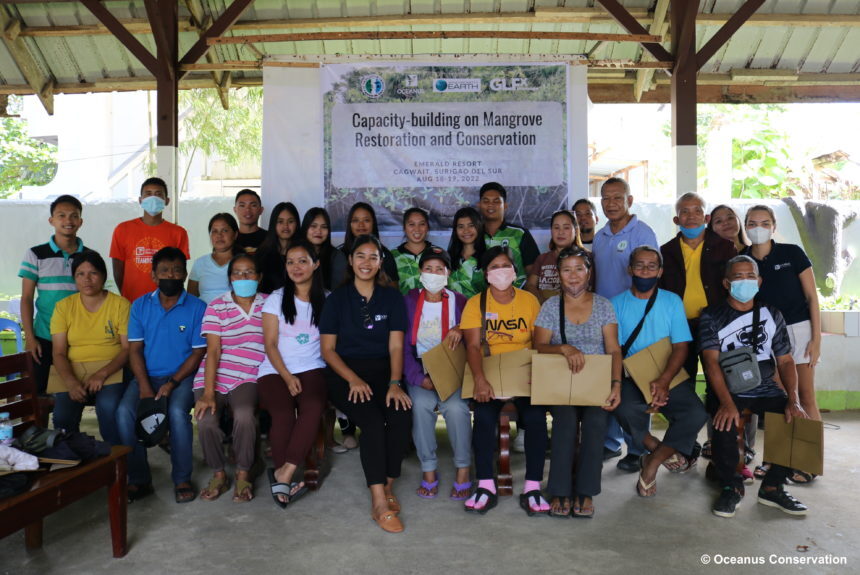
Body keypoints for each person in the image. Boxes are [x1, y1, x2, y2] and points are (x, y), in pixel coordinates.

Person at [700, 255, 808, 518]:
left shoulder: (772, 314)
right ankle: (731, 487)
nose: (745, 281)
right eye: (738, 276)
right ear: (726, 283)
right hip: (728, 389)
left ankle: (773, 487)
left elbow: (784, 361)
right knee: (725, 422)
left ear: (759, 281)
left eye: (750, 276)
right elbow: (711, 364)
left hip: (765, 388)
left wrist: (793, 400)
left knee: (793, 420)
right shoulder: (711, 316)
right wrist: (726, 402)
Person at [320, 235, 412, 533]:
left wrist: (396, 382)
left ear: (381, 262)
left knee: (400, 416)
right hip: (345, 374)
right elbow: (328, 350)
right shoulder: (336, 299)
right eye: (360, 256)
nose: (366, 262)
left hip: (385, 372)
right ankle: (379, 502)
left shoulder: (392, 297)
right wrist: (353, 379)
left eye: (373, 257)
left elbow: (397, 347)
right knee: (372, 424)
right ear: (350, 260)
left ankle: (387, 484)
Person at [611, 247, 709, 497]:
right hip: (631, 374)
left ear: (660, 271)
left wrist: (664, 381)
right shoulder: (615, 304)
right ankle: (654, 446)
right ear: (629, 269)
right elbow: (615, 351)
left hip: (667, 372)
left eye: (652, 266)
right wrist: (626, 381)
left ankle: (652, 463)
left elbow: (681, 346)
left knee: (696, 413)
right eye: (639, 265)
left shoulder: (672, 301)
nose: (645, 270)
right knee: (622, 407)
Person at [534, 247, 622, 518]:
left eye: (579, 269)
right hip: (562, 384)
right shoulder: (550, 306)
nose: (573, 276)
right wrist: (564, 348)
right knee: (565, 422)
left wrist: (616, 384)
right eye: (566, 270)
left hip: (595, 384)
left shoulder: (603, 306)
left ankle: (585, 491)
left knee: (596, 423)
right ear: (559, 275)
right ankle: (560, 490)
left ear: (589, 273)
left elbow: (614, 349)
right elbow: (538, 346)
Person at [459, 246, 547, 516]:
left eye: (505, 266)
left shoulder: (530, 301)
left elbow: (540, 342)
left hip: (524, 373)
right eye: (494, 267)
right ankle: (486, 484)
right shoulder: (476, 303)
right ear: (486, 274)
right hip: (490, 374)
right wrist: (480, 381)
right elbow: (473, 347)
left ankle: (532, 486)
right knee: (483, 419)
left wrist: (534, 377)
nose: (501, 272)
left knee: (535, 419)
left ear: (515, 270)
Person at [116, 247, 207, 504]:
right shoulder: (140, 306)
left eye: (177, 270)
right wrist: (145, 387)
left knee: (178, 414)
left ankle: (181, 478)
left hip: (183, 377)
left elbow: (197, 354)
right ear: (153, 275)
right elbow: (134, 350)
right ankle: (139, 479)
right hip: (147, 376)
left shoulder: (197, 307)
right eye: (165, 271)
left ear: (185, 274)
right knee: (125, 413)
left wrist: (173, 383)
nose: (171, 275)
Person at [743, 205, 821, 483]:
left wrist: (816, 338)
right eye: (752, 222)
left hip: (799, 330)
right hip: (764, 334)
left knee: (805, 396)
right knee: (778, 400)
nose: (758, 227)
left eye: (764, 222)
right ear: (745, 226)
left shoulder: (792, 253)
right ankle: (776, 462)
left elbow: (812, 298)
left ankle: (807, 462)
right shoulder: (742, 259)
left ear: (774, 226)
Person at [659, 193, 737, 472]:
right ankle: (686, 448)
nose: (690, 216)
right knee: (684, 388)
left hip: (716, 326)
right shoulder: (665, 251)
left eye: (696, 211)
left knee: (721, 387)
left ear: (705, 217)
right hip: (679, 328)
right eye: (684, 211)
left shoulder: (725, 248)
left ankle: (721, 450)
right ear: (676, 219)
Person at [592, 177, 658, 472]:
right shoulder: (600, 235)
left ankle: (638, 446)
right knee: (608, 380)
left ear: (630, 200)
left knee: (635, 385)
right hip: (604, 319)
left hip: (633, 319)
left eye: (617, 198)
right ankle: (609, 442)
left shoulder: (642, 232)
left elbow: (650, 272)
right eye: (605, 198)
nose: (611, 203)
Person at [257, 241, 329, 508]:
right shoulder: (275, 299)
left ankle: (283, 474)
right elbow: (270, 344)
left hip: (312, 368)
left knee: (312, 406)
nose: (296, 267)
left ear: (316, 264)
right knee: (283, 413)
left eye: (302, 261)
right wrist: (287, 376)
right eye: (290, 262)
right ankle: (282, 474)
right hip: (274, 369)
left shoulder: (328, 300)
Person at [192, 253, 266, 503]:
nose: (243, 277)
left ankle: (244, 472)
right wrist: (209, 392)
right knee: (205, 420)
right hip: (212, 375)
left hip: (248, 375)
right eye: (237, 273)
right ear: (229, 278)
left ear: (259, 277)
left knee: (245, 415)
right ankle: (219, 473)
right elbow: (213, 351)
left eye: (249, 272)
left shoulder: (270, 305)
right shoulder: (217, 306)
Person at [402, 247, 471, 500]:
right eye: (428, 269)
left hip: (451, 371)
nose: (433, 274)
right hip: (420, 370)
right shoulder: (408, 301)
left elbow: (475, 332)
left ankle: (463, 469)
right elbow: (401, 348)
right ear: (420, 272)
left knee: (456, 410)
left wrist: (461, 329)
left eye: (439, 269)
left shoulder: (459, 301)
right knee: (420, 406)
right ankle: (429, 469)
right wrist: (419, 379)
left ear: (448, 273)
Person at [50, 251, 129, 445]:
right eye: (80, 274)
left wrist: (102, 374)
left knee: (108, 407)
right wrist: (70, 382)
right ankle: (75, 462)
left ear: (103, 275)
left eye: (93, 273)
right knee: (62, 416)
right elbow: (59, 352)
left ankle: (115, 461)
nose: (87, 279)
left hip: (112, 369)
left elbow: (127, 350)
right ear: (74, 278)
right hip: (73, 369)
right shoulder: (63, 307)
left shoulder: (120, 304)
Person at [19, 195, 93, 394]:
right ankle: (38, 427)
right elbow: (26, 298)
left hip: (77, 338)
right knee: (37, 394)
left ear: (81, 222)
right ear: (51, 220)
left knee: (74, 394)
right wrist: (30, 337)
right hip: (43, 337)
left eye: (74, 216)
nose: (68, 221)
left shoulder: (89, 257)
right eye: (61, 215)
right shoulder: (35, 254)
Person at [110, 177, 190, 303]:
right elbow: (118, 270)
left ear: (167, 201)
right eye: (148, 194)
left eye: (158, 194)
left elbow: (180, 271)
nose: (153, 198)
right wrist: (126, 296)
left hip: (167, 303)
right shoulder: (122, 229)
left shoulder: (178, 233)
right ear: (140, 200)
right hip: (132, 302)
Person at [478, 182, 540, 288]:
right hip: (481, 298)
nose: (490, 205)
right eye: (486, 201)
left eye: (496, 201)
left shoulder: (520, 234)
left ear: (505, 205)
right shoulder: (473, 235)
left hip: (516, 298)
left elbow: (533, 272)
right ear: (479, 205)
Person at [525, 210, 585, 304]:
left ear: (576, 230)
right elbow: (530, 285)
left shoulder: (585, 258)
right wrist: (544, 303)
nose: (561, 232)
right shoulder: (542, 258)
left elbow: (588, 289)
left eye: (566, 228)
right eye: (556, 228)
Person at [338, 202, 399, 285]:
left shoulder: (386, 255)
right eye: (356, 220)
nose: (361, 225)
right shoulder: (339, 255)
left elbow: (393, 293)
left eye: (366, 220)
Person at [188, 213, 243, 304]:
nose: (219, 235)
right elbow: (192, 298)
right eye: (214, 231)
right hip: (205, 316)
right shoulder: (200, 263)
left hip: (235, 316)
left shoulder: (243, 263)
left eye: (225, 230)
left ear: (235, 235)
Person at [257, 202, 301, 294]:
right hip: (268, 304)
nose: (286, 226)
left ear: (297, 224)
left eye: (290, 221)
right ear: (273, 224)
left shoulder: (304, 253)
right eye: (280, 221)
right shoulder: (262, 253)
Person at [300, 207, 348, 291]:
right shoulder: (295, 254)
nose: (318, 231)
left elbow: (338, 292)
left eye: (324, 227)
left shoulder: (337, 257)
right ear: (305, 228)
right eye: (313, 226)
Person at [392, 207, 436, 295]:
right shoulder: (393, 256)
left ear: (427, 227)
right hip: (403, 307)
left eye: (422, 224)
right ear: (404, 228)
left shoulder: (437, 253)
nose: (417, 229)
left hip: (433, 307)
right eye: (411, 224)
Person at [447, 206, 486, 299]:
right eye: (461, 226)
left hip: (478, 312)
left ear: (479, 226)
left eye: (471, 225)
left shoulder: (489, 257)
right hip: (453, 311)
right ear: (455, 230)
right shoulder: (448, 258)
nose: (466, 231)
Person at [233, 189, 267, 254]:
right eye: (242, 206)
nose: (248, 210)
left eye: (253, 205)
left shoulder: (270, 238)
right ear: (235, 210)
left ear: (261, 210)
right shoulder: (230, 238)